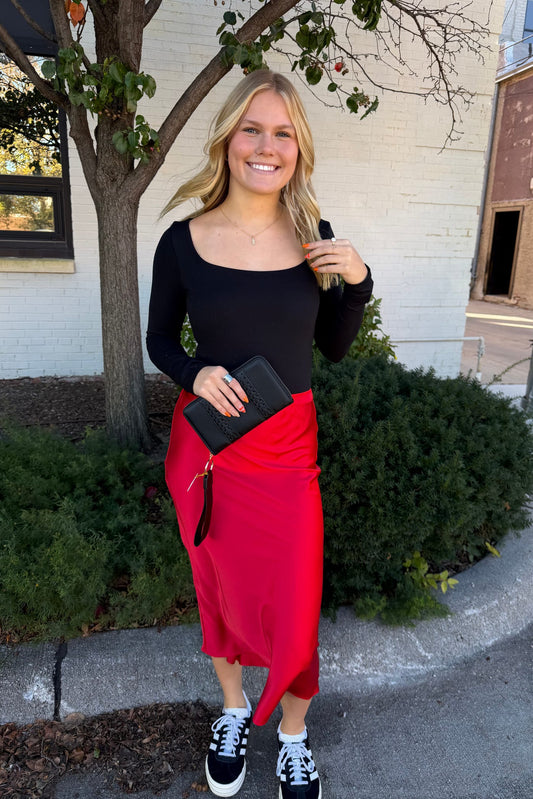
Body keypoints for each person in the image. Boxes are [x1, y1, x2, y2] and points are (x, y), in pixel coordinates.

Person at [146, 69, 373, 799]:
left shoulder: (313, 238)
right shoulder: (182, 241)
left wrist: (357, 283)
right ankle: (234, 708)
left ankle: (294, 736)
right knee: (218, 588)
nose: (265, 146)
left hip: (287, 452)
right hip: (211, 451)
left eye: (282, 133)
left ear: (297, 148)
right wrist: (194, 374)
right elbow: (159, 340)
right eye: (252, 129)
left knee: (294, 600)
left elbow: (333, 347)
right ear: (227, 139)